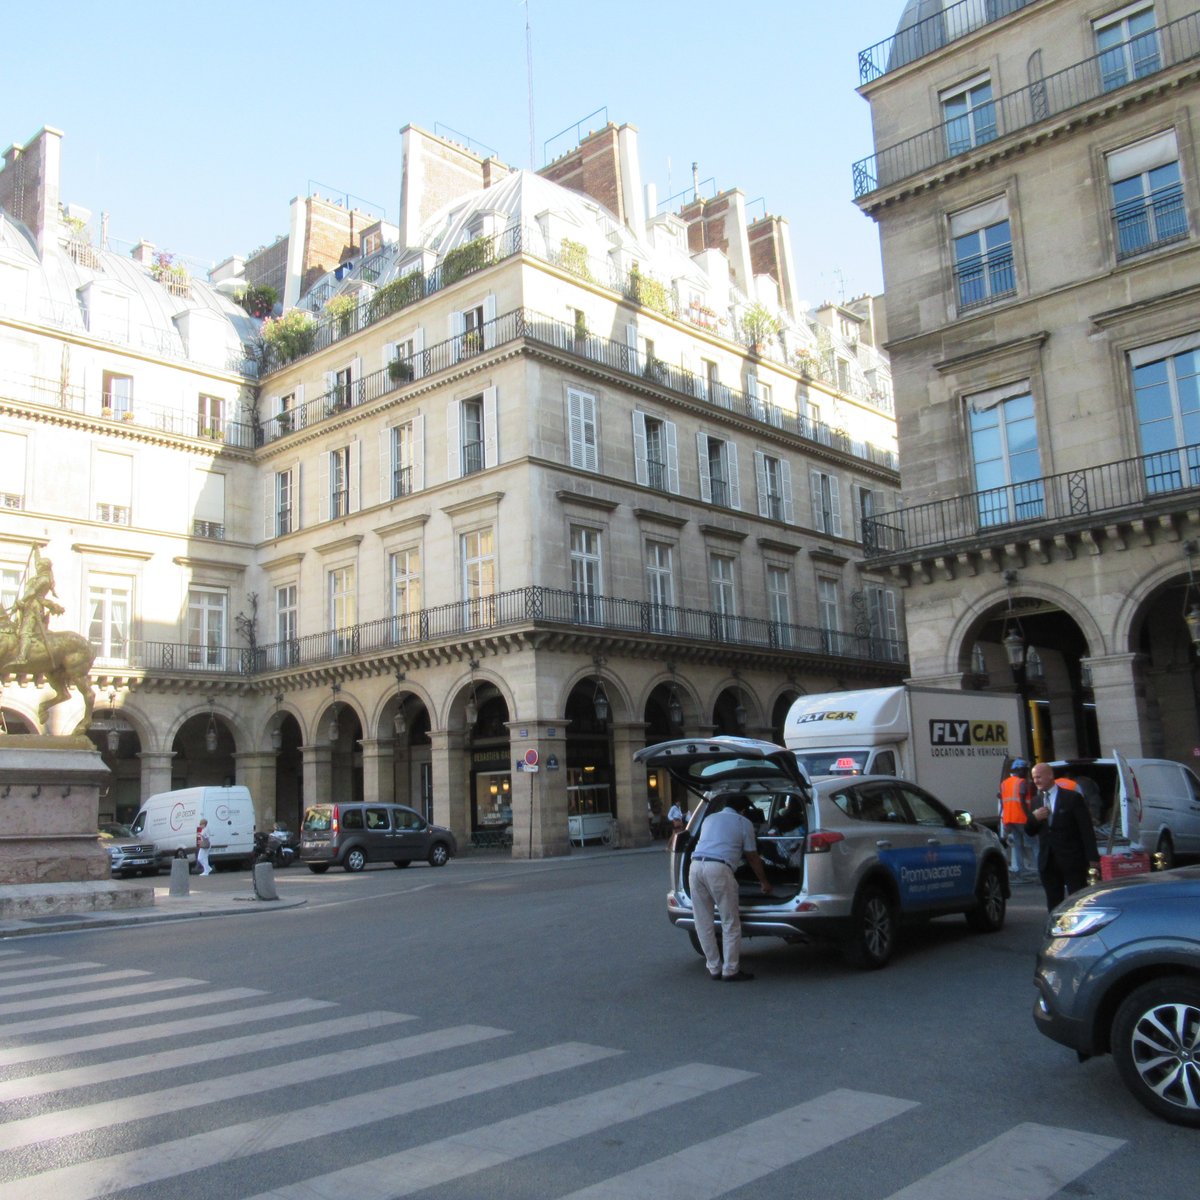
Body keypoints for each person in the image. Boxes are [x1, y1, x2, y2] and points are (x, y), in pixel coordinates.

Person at [688, 793, 772, 982]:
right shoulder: (744, 823)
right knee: (730, 921)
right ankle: (731, 969)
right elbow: (752, 857)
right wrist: (764, 882)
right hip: (719, 868)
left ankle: (714, 967)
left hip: (695, 866)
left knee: (703, 921)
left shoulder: (709, 818)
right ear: (743, 810)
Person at [1025, 761, 1098, 911]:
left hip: (1072, 859)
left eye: (1038, 777)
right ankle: (1057, 930)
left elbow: (1086, 829)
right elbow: (1029, 831)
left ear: (1050, 775)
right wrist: (1034, 819)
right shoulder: (1036, 801)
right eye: (1033, 778)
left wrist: (1093, 858)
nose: (1036, 781)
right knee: (1054, 902)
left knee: (1077, 900)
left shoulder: (1072, 798)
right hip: (1048, 861)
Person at [999, 759, 1036, 880]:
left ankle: (1021, 870)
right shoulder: (1022, 782)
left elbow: (1004, 802)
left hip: (1009, 818)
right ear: (1020, 770)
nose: (1026, 772)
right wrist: (1029, 817)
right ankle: (1041, 871)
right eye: (1025, 770)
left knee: (1018, 844)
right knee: (1035, 844)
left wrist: (1004, 821)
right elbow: (1022, 801)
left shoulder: (1005, 783)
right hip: (1021, 818)